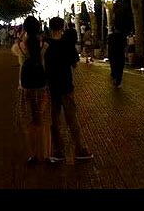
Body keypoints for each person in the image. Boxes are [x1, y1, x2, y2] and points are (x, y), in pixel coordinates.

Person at [43, 17, 93, 163]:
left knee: (54, 120)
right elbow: (75, 64)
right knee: (72, 118)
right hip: (66, 85)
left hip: (51, 86)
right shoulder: (68, 44)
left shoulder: (45, 45)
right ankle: (80, 149)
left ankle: (58, 151)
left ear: (50, 28)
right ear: (62, 28)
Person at [14, 15, 50, 164]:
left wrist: (21, 34)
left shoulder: (19, 47)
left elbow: (14, 47)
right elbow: (45, 64)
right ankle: (46, 154)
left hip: (26, 87)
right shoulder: (44, 45)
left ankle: (33, 155)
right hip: (41, 85)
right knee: (42, 120)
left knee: (29, 122)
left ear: (25, 29)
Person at [107, 23, 126, 87]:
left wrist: (109, 54)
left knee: (114, 67)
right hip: (120, 54)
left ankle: (115, 79)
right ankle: (118, 81)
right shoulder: (123, 36)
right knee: (120, 68)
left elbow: (109, 46)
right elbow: (125, 45)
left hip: (113, 54)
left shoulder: (110, 36)